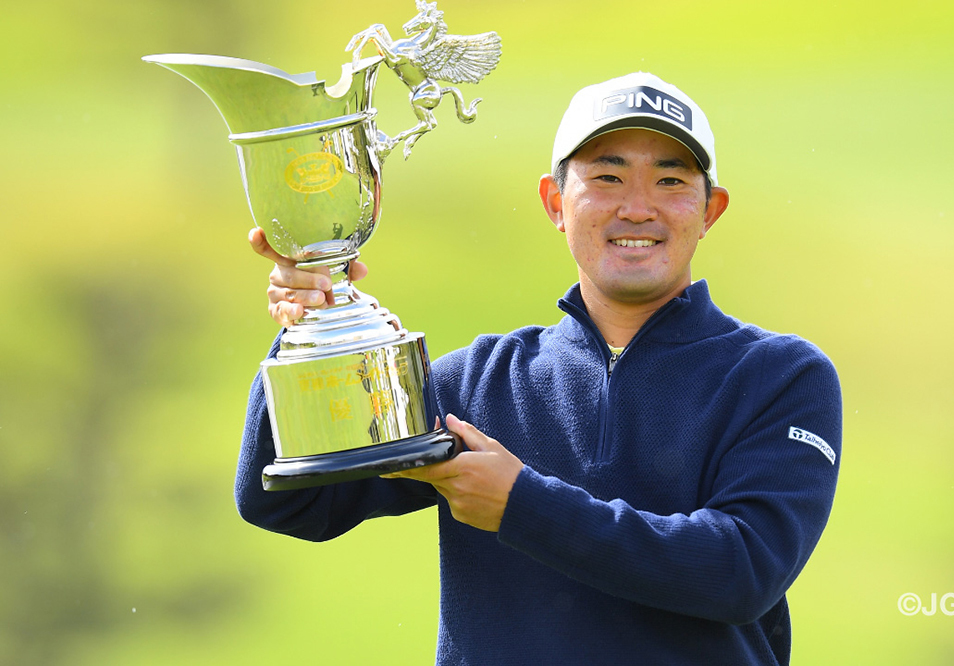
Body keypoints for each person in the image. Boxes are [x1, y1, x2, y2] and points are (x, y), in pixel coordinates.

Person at [237, 72, 842, 665]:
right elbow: (290, 503)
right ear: (556, 202)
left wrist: (520, 506)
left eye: (670, 180)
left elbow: (741, 570)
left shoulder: (779, 377)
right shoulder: (477, 382)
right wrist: (310, 328)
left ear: (710, 210)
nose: (638, 208)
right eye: (607, 177)